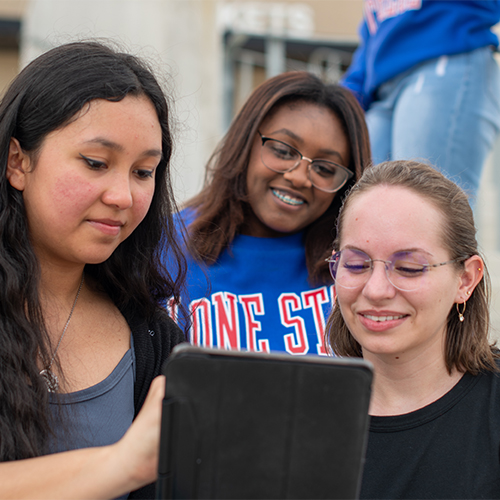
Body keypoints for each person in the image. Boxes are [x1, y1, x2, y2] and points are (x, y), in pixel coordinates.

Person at [0, 41, 187, 499]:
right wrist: (120, 465)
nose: (123, 196)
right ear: (17, 162)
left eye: (144, 172)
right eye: (96, 163)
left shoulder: (155, 341)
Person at [326, 160, 500, 499]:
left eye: (408, 268)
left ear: (466, 279)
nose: (376, 290)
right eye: (356, 264)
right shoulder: (294, 415)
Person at [167, 71, 371, 356]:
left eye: (325, 169)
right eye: (284, 151)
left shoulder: (359, 268)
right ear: (246, 143)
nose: (299, 178)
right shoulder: (162, 247)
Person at [341, 0, 500, 201]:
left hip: (447, 57)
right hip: (382, 87)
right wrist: (345, 98)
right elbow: (373, 37)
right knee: (362, 200)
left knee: (426, 206)